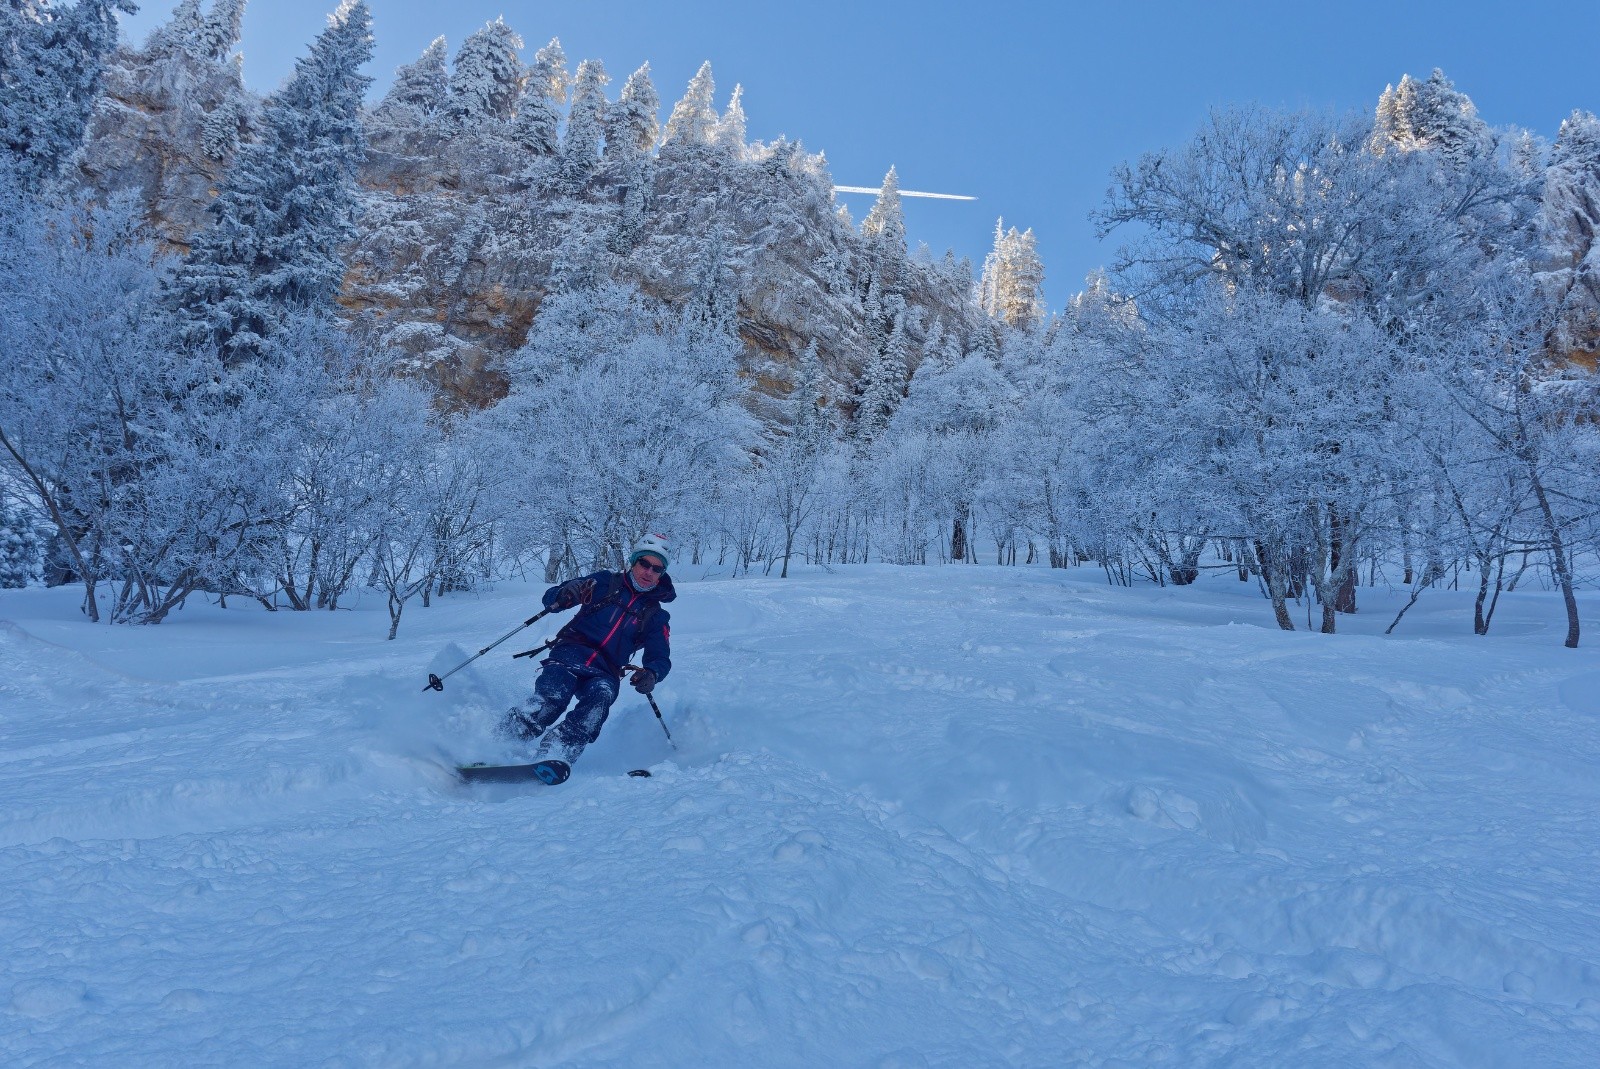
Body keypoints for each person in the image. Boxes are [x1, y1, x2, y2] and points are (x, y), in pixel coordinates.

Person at [502, 534, 674, 778]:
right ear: (633, 562)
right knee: (554, 695)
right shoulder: (606, 582)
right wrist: (564, 594)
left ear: (662, 574)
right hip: (570, 653)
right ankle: (503, 740)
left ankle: (556, 755)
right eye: (644, 564)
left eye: (657, 569)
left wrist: (652, 673)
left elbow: (660, 656)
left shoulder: (656, 615)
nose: (648, 572)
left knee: (599, 701)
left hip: (607, 670)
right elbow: (552, 597)